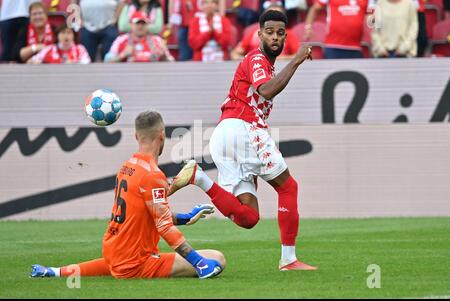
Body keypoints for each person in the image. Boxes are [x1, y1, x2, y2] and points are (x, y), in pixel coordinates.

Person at [168, 10, 317, 271]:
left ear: (285, 36)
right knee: (288, 187)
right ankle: (288, 260)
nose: (275, 37)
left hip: (225, 134)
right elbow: (266, 90)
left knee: (248, 217)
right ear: (259, 34)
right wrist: (296, 60)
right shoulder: (257, 59)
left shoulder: (263, 64)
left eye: (280, 33)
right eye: (269, 32)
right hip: (243, 128)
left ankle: (199, 178)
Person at [31, 110, 225, 280]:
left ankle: (53, 272)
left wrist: (185, 217)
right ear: (162, 135)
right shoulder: (152, 174)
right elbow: (163, 225)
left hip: (114, 252)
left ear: (136, 136)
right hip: (136, 261)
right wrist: (199, 263)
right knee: (217, 258)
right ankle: (199, 264)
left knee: (117, 262)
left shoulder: (127, 166)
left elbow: (148, 213)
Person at [304, 0, 374, 59]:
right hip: (333, 46)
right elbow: (315, 8)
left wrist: (374, 25)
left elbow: (370, 16)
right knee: (332, 74)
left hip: (356, 47)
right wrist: (308, 27)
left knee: (353, 75)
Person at [231, 4, 300, 61]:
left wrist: (280, 58)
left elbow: (299, 56)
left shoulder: (289, 34)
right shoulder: (253, 33)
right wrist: (250, 60)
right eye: (270, 16)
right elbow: (234, 54)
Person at [105, 11, 174, 62]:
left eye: (143, 24)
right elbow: (107, 61)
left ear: (147, 25)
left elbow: (172, 62)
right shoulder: (121, 40)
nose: (140, 26)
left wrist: (164, 56)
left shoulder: (157, 40)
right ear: (131, 24)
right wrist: (123, 54)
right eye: (137, 23)